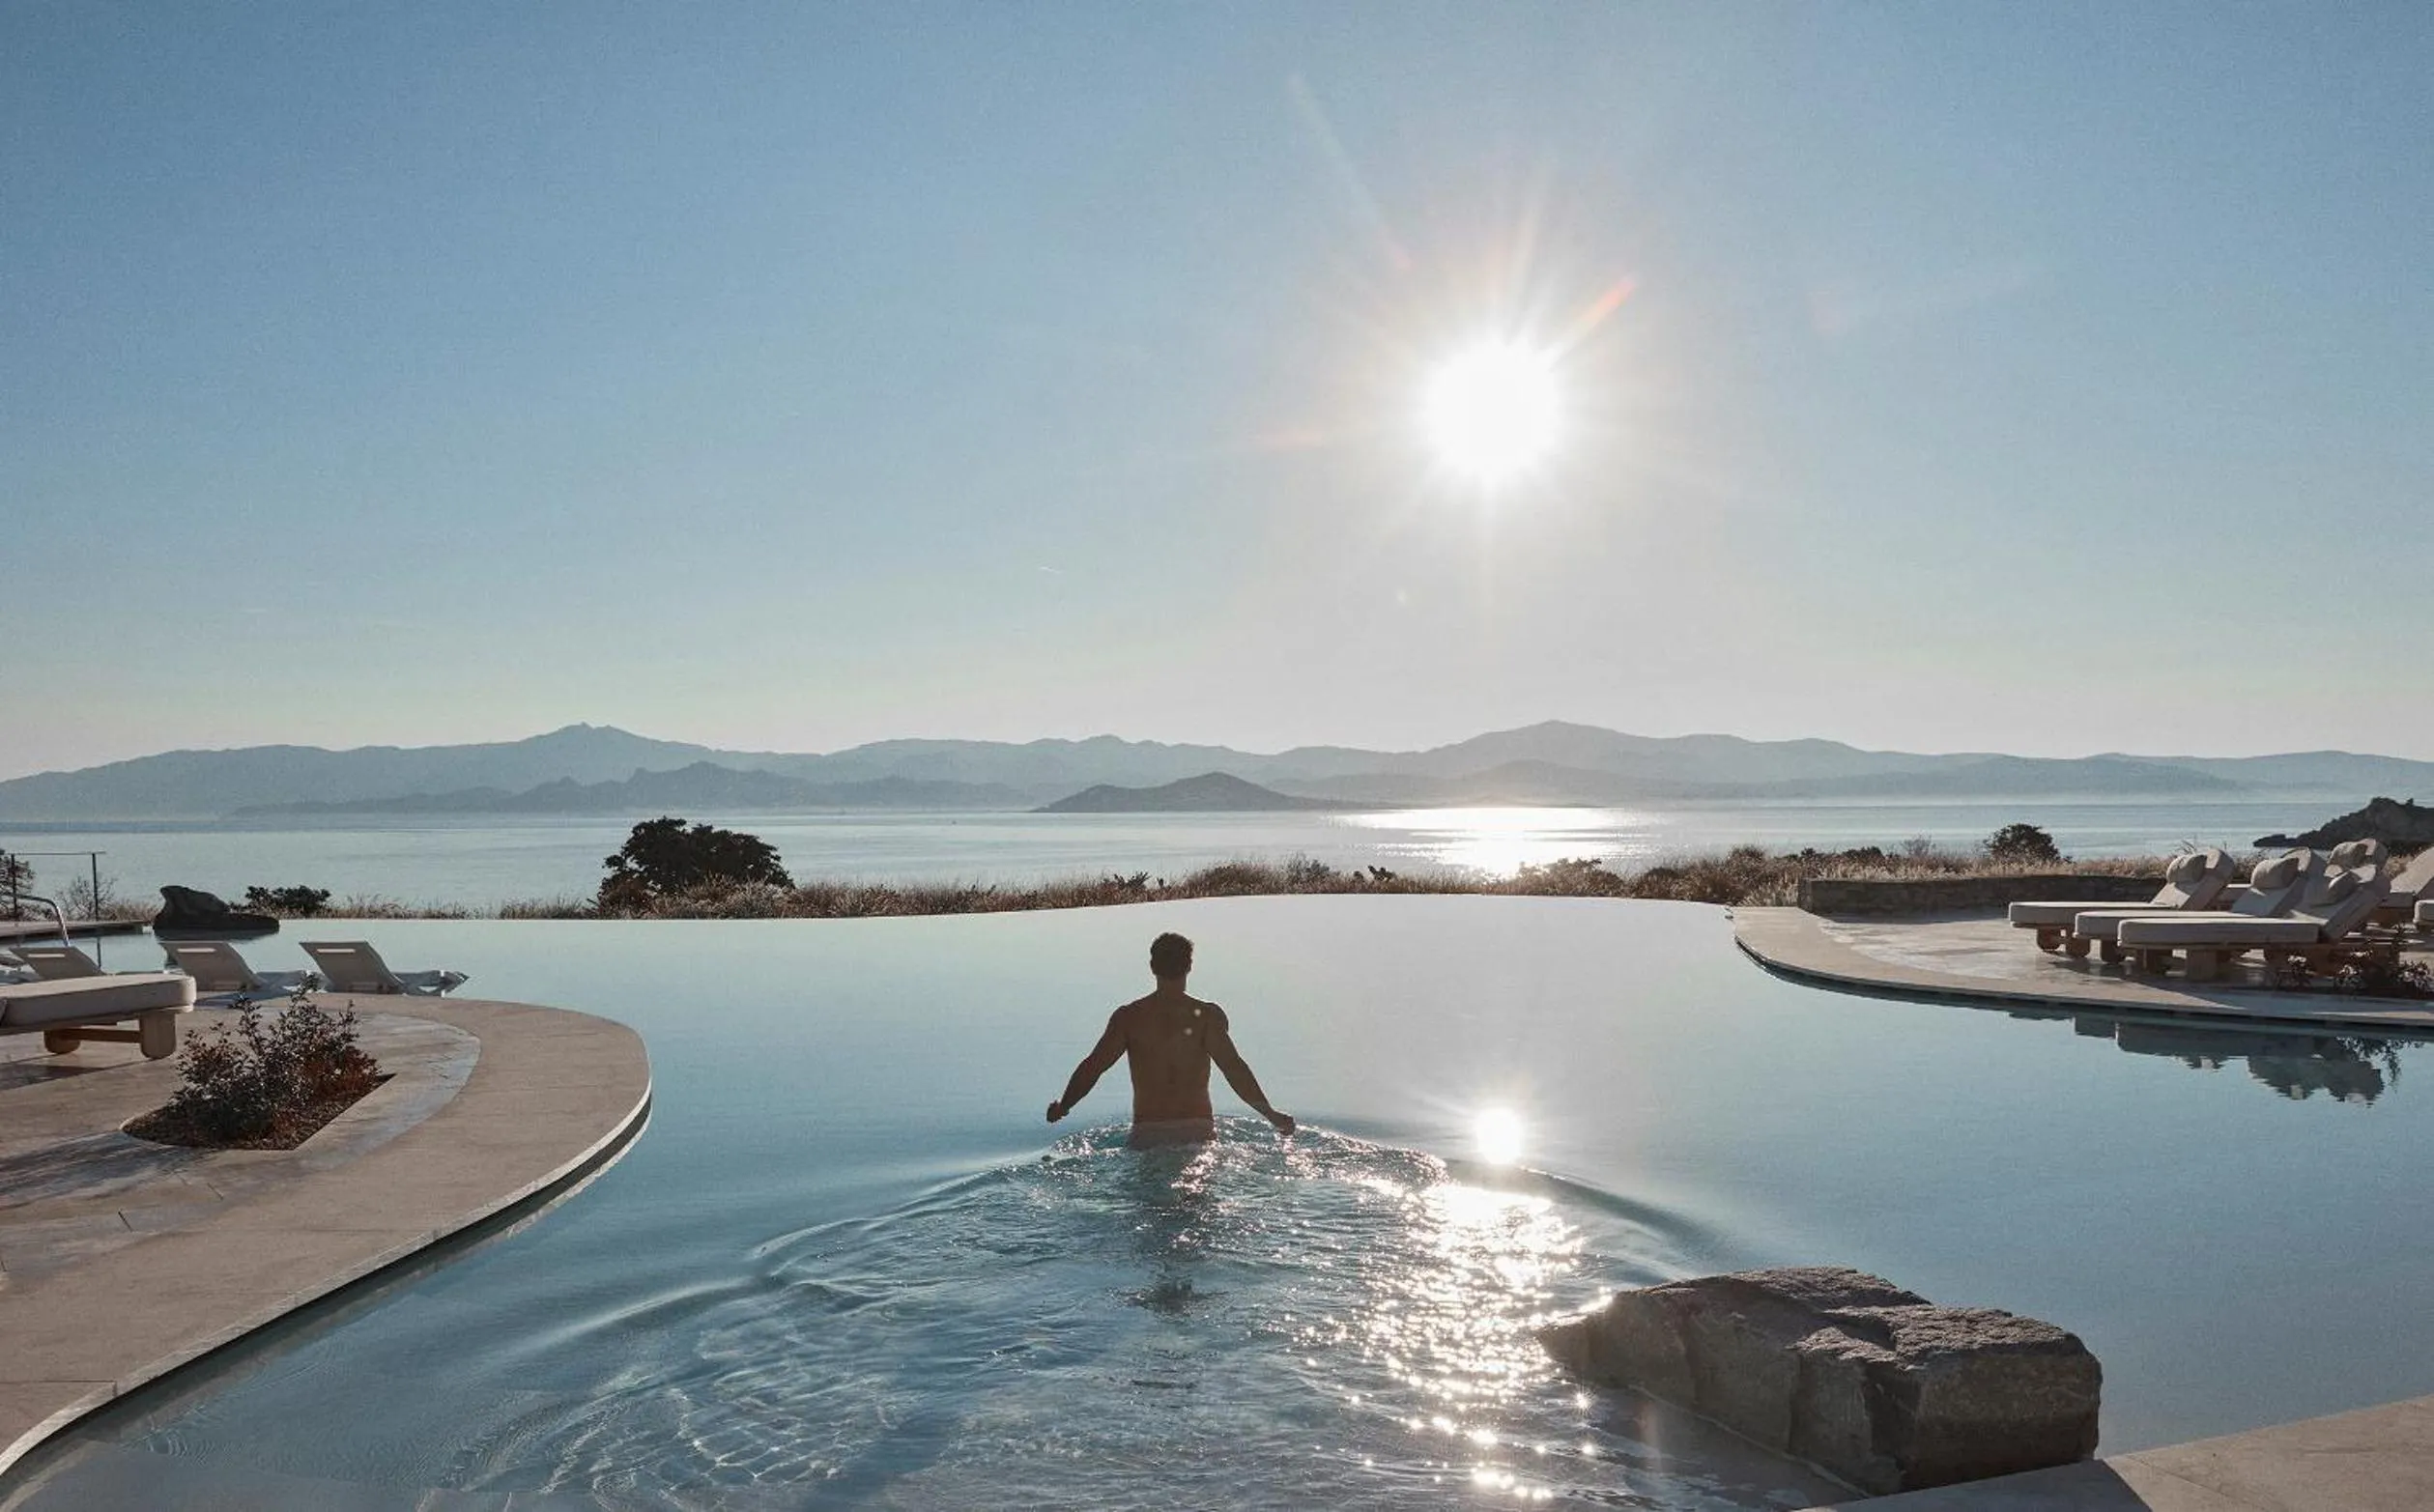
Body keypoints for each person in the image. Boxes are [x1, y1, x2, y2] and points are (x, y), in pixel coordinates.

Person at [1046, 931, 1296, 1145]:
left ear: (1152, 967)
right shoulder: (1207, 1017)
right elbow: (1234, 1069)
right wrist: (1270, 1114)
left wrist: (1063, 1106)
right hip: (1197, 1132)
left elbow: (1093, 1067)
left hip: (1148, 1134)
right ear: (1189, 966)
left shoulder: (1128, 1018)